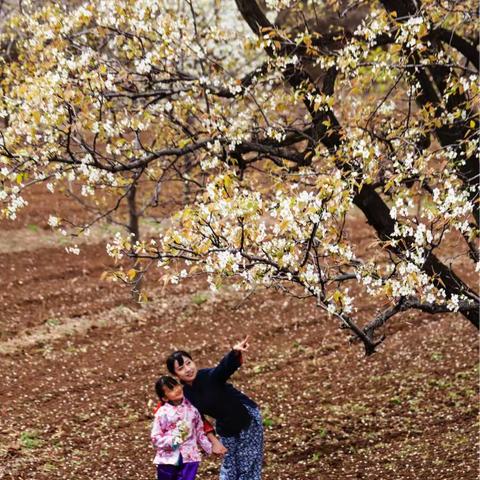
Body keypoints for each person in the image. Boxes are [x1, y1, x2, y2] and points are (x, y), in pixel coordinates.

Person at [166, 336, 263, 480]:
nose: (188, 369)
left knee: (247, 466)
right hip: (226, 427)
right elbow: (198, 419)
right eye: (181, 368)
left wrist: (234, 353)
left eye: (188, 363)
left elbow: (223, 369)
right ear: (175, 375)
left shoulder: (209, 376)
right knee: (229, 469)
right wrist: (214, 441)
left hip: (245, 418)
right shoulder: (186, 395)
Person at [151, 375, 212, 480]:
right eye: (171, 390)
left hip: (189, 457)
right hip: (167, 458)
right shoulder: (162, 413)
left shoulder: (192, 410)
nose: (177, 390)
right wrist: (173, 441)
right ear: (164, 398)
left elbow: (199, 432)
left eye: (176, 385)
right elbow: (155, 437)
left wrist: (209, 448)